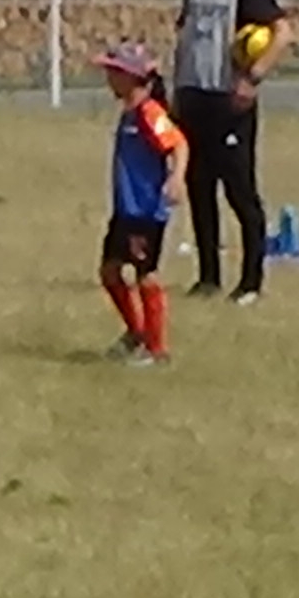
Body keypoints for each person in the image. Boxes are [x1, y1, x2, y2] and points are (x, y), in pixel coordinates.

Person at [171, 0, 285, 302]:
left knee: (240, 192)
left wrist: (253, 77)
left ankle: (251, 282)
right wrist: (176, 93)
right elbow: (184, 40)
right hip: (194, 98)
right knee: (199, 190)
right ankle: (208, 277)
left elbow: (282, 33)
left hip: (229, 102)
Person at [95, 42, 190, 366]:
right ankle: (136, 332)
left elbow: (178, 143)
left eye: (114, 72)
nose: (108, 78)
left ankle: (156, 348)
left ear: (130, 77)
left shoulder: (150, 113)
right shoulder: (129, 113)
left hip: (146, 211)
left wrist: (176, 177)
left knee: (146, 275)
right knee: (110, 271)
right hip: (126, 210)